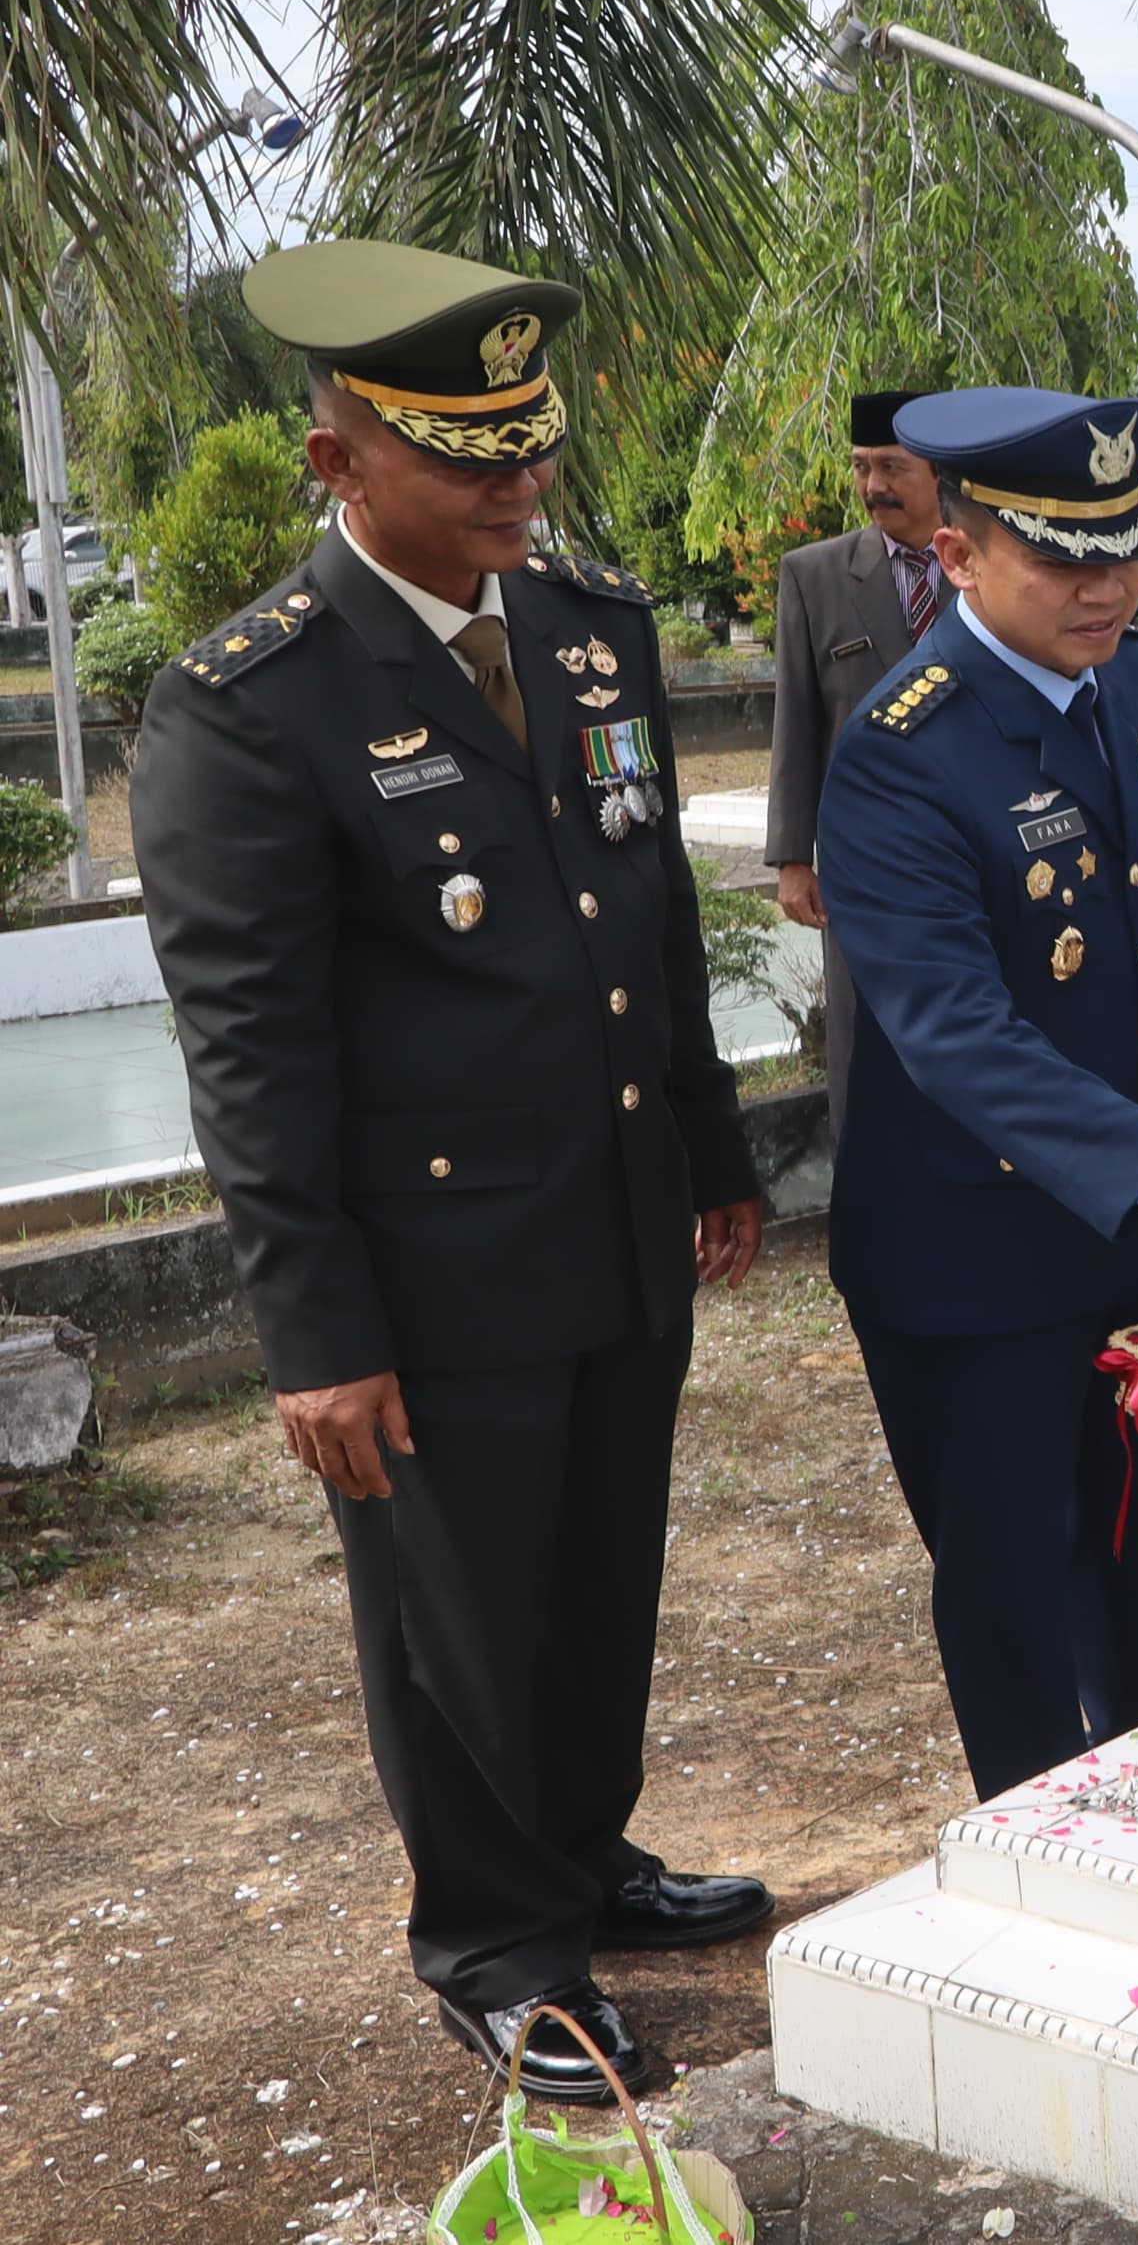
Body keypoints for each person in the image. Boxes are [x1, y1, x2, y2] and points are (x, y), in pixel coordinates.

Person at [134, 238, 773, 2101]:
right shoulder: (248, 704)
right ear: (340, 466)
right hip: (427, 1263)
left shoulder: (586, 626)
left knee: (595, 1575)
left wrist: (713, 1140)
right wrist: (315, 1331)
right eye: (469, 457)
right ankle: (501, 1945)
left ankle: (578, 1858)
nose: (520, 485)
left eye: (530, 447)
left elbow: (645, 906)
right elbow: (252, 1051)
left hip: (617, 1212)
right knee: (457, 1614)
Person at [815, 385, 1138, 1798]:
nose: (1107, 589)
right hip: (971, 1261)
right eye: (1064, 558)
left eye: (1127, 550)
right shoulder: (900, 752)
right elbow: (956, 1036)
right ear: (964, 552)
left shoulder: (1135, 679)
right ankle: (1051, 1891)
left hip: (1130, 1242)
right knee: (1024, 1615)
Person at [765, 389, 941, 1120]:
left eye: (893, 466)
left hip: (985, 852)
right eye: (863, 467)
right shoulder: (816, 576)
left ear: (941, 471)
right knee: (869, 1067)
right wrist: (793, 857)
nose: (874, 486)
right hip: (865, 866)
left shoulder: (995, 568)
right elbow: (796, 721)